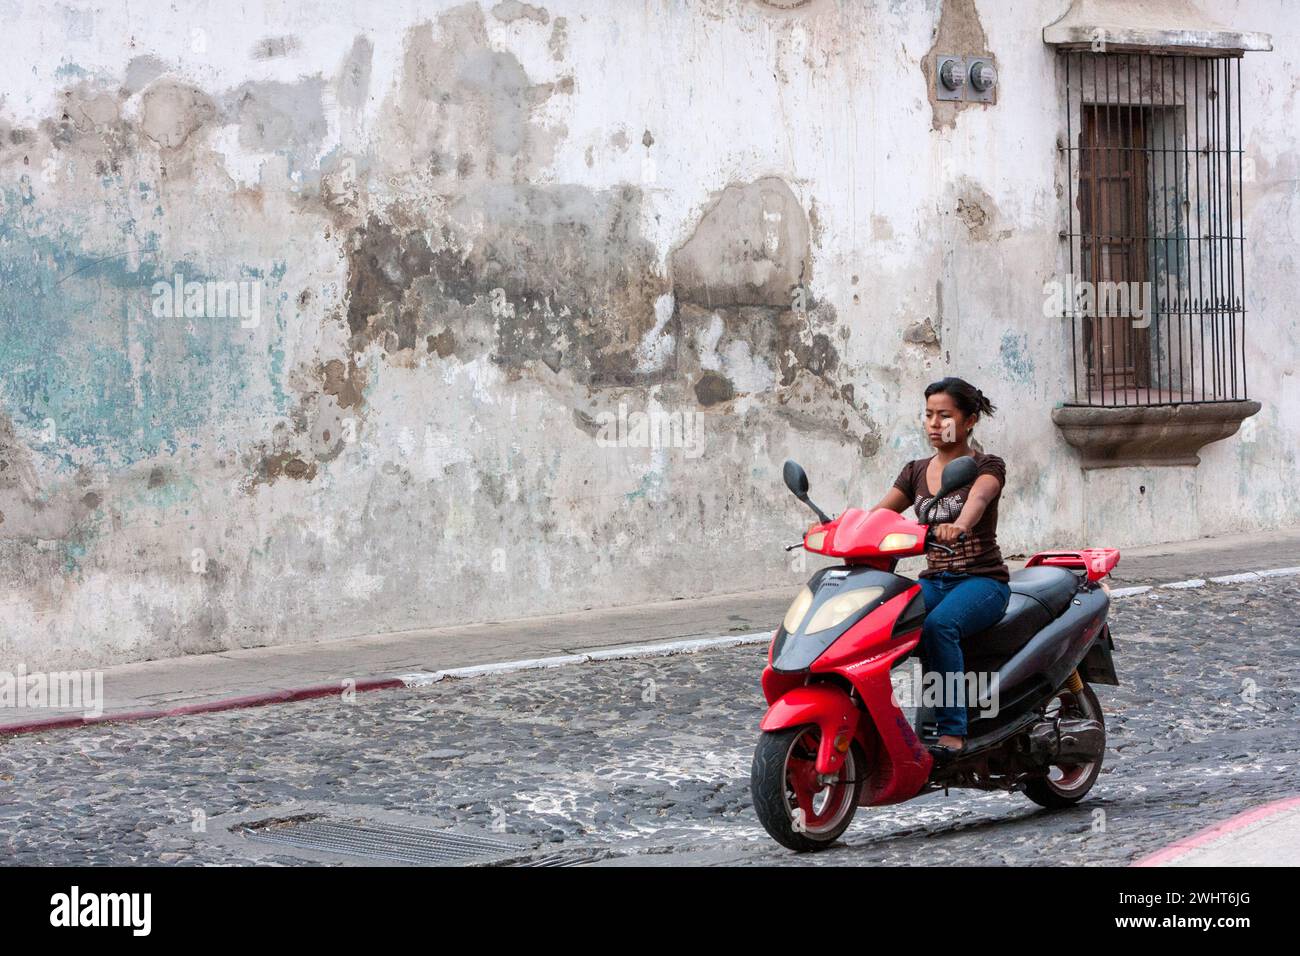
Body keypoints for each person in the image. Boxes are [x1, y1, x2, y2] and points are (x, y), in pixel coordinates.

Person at [870, 377, 1010, 759]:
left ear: (970, 420)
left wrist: (960, 525)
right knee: (878, 620)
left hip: (982, 582)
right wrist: (840, 529)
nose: (934, 423)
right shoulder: (915, 471)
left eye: (944, 415)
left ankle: (952, 732)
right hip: (935, 579)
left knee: (938, 626)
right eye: (929, 414)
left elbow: (979, 498)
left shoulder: (987, 465)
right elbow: (880, 515)